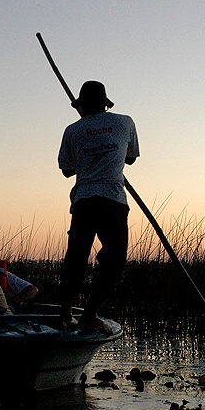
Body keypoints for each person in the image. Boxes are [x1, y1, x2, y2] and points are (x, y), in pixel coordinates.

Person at [56, 80, 140, 334]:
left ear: (81, 106)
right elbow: (130, 158)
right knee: (115, 261)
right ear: (105, 104)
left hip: (84, 200)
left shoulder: (72, 130)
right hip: (112, 200)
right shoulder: (125, 122)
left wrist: (88, 153)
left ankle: (65, 314)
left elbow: (67, 170)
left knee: (76, 258)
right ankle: (89, 314)